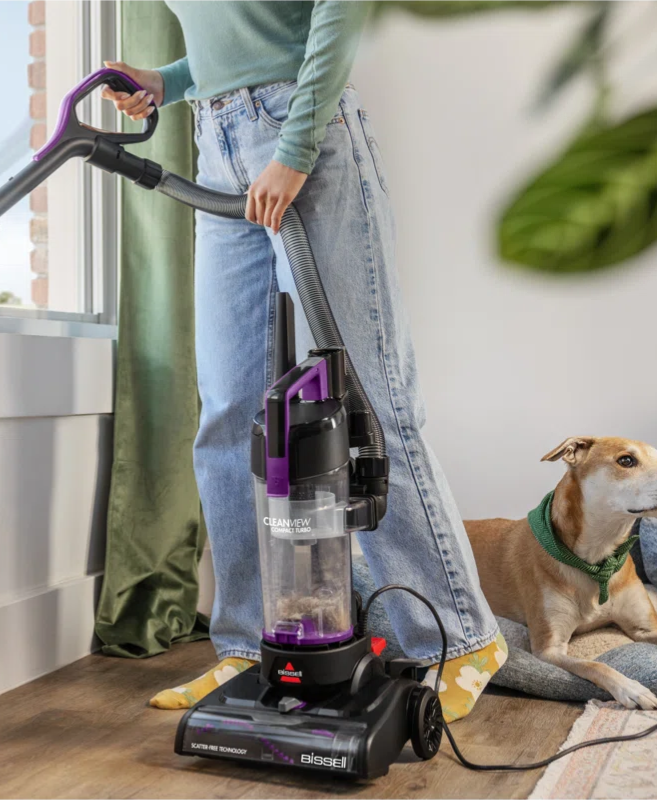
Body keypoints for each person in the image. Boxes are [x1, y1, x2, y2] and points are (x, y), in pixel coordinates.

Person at [103, 1, 506, 722]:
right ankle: (247, 644)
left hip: (298, 129)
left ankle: (460, 639)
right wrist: (167, 80)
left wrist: (293, 148)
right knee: (230, 410)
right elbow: (249, 34)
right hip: (216, 140)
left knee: (369, 397)